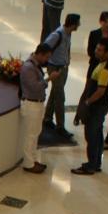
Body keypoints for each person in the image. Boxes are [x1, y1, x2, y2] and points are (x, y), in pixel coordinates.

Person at [72, 37, 108, 175]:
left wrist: (88, 102)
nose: (96, 51)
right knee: (97, 134)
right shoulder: (103, 63)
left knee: (91, 135)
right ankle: (96, 163)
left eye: (100, 50)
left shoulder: (106, 69)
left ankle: (91, 165)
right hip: (100, 105)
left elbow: (100, 91)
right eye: (97, 48)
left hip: (97, 106)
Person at [41, 13, 79, 142]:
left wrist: (67, 59)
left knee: (55, 93)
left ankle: (47, 118)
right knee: (60, 97)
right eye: (78, 23)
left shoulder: (68, 34)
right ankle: (60, 126)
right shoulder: (57, 34)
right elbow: (45, 47)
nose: (79, 25)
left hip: (63, 67)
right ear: (73, 24)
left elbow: (67, 47)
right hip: (55, 68)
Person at [18, 40, 52, 174]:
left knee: (35, 133)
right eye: (46, 57)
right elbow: (35, 87)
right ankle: (28, 163)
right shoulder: (28, 67)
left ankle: (33, 159)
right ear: (40, 54)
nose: (47, 60)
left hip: (37, 104)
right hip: (31, 104)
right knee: (30, 135)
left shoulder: (35, 65)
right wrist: (49, 79)